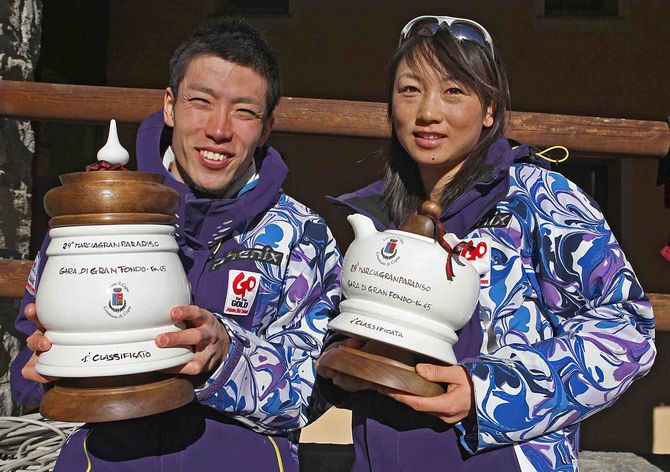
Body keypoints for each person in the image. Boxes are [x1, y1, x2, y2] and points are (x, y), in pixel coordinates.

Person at [318, 15, 656, 471]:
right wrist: (345, 362)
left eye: (454, 90)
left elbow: (628, 328)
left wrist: (487, 391)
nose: (428, 112)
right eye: (410, 89)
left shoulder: (539, 199)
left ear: (490, 109)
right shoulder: (380, 217)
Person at [11, 18, 341, 471]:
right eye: (200, 102)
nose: (219, 130)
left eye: (244, 111)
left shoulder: (302, 235)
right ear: (170, 105)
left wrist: (226, 357)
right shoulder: (94, 217)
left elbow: (316, 389)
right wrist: (43, 366)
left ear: (266, 128)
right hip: (102, 458)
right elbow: (31, 360)